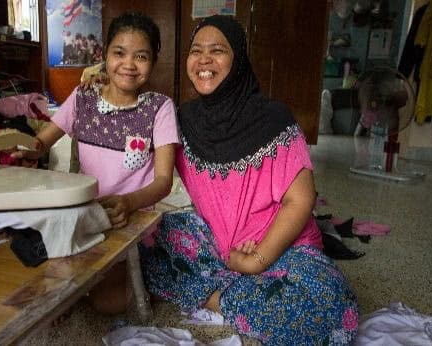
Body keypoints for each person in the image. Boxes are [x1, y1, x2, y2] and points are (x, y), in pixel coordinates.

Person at [138, 15, 359, 345]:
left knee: (332, 307)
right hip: (221, 246)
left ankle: (214, 294)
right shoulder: (183, 121)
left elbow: (300, 200)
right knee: (146, 245)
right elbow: (137, 144)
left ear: (238, 59)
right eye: (196, 51)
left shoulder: (273, 119)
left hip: (282, 249)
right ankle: (232, 294)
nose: (204, 60)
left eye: (218, 51)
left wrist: (256, 261)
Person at [12, 11, 179, 313]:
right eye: (119, 53)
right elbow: (43, 141)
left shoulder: (159, 108)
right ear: (104, 55)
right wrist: (31, 151)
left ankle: (152, 280)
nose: (128, 65)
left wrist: (128, 203)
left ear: (153, 60)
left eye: (141, 56)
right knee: (37, 279)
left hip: (131, 217)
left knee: (107, 303)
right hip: (83, 213)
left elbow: (164, 182)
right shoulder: (83, 97)